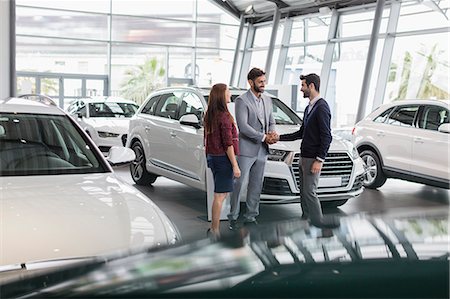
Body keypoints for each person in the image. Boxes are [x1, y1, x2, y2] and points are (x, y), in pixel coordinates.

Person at [278, 73, 339, 228]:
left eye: (303, 86)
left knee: (310, 193)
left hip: (313, 158)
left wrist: (319, 160)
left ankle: (319, 224)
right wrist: (278, 138)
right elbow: (300, 133)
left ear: (311, 86)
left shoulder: (321, 107)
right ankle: (306, 222)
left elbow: (327, 136)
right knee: (304, 193)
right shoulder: (309, 108)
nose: (301, 89)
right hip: (304, 157)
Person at [228, 68, 278, 230]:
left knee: (256, 185)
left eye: (264, 81)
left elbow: (271, 121)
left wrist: (272, 133)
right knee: (239, 184)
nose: (264, 84)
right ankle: (233, 217)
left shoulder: (268, 100)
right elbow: (243, 127)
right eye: (260, 82)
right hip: (246, 149)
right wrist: (264, 137)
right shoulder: (242, 101)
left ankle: (251, 216)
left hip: (262, 150)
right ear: (251, 83)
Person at [204, 83, 241, 238]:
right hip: (223, 159)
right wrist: (235, 165)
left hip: (213, 157)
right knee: (220, 196)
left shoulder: (209, 114)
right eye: (228, 92)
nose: (230, 94)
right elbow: (228, 144)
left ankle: (214, 229)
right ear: (221, 95)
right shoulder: (224, 117)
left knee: (219, 194)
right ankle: (215, 230)